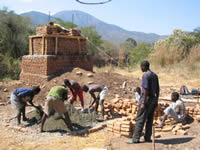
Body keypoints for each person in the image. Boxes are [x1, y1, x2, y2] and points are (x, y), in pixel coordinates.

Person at [128, 60, 160, 144]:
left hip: (146, 99)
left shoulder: (146, 75)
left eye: (141, 67)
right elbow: (158, 89)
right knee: (149, 119)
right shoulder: (154, 75)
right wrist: (156, 100)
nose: (140, 68)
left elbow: (145, 89)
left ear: (143, 66)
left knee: (140, 119)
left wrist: (143, 103)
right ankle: (147, 138)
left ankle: (135, 139)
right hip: (153, 99)